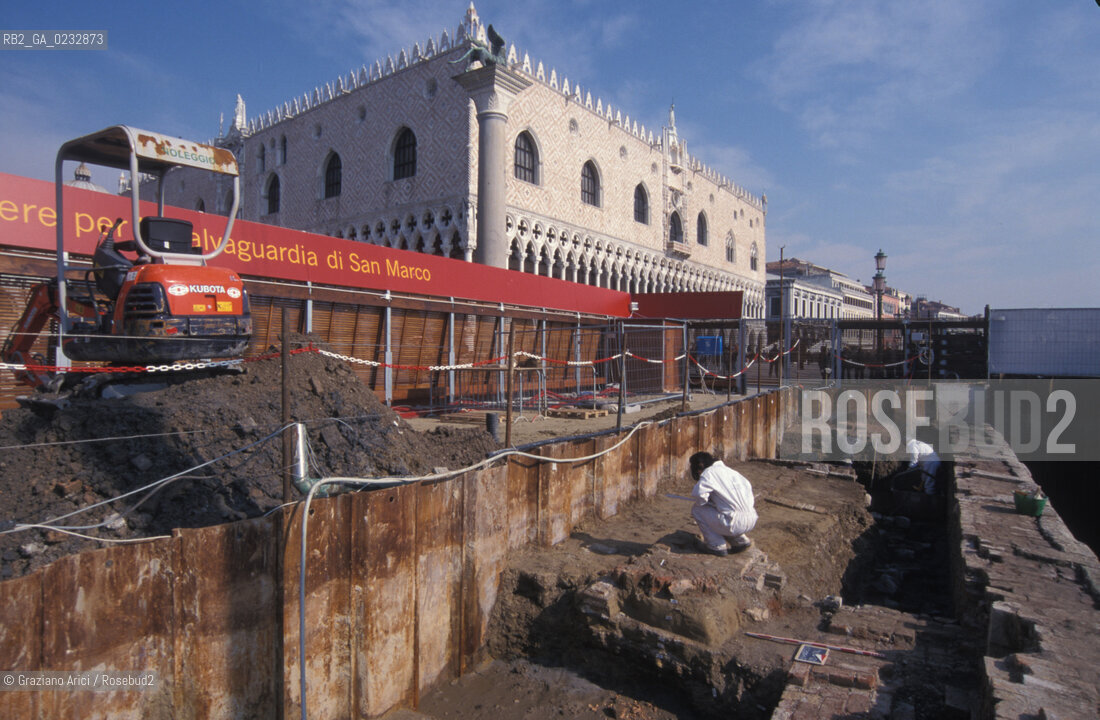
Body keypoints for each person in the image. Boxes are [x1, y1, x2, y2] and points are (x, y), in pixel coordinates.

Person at [688, 452, 757, 556]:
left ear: (700, 466)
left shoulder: (709, 473)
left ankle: (716, 546)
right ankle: (740, 541)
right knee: (725, 513)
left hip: (734, 522)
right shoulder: (733, 472)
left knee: (697, 509)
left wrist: (707, 502)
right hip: (752, 518)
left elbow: (699, 496)